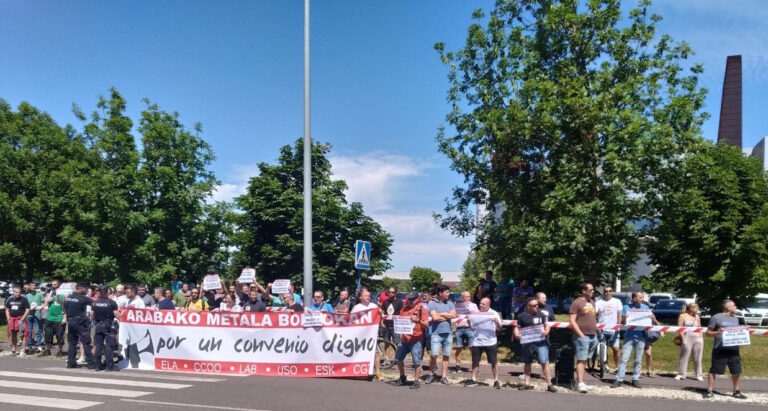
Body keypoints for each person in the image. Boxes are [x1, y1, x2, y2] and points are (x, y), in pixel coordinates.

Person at [612, 291, 658, 388]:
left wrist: (653, 318)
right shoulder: (626, 307)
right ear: (634, 298)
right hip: (629, 336)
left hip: (641, 337)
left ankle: (635, 379)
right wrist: (625, 318)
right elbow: (622, 323)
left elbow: (652, 321)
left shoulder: (645, 308)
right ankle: (619, 379)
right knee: (624, 359)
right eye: (640, 297)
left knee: (638, 359)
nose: (642, 299)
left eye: (642, 297)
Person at [704, 300, 746, 400]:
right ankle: (709, 391)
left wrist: (744, 329)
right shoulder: (716, 317)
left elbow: (736, 332)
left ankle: (736, 391)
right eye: (734, 306)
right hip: (720, 348)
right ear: (728, 307)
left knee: (736, 371)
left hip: (733, 348)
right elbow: (708, 333)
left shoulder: (735, 318)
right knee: (714, 370)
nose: (736, 307)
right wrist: (717, 332)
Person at [514, 297, 556, 392]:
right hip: (527, 343)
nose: (537, 306)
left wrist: (546, 331)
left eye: (537, 305)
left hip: (541, 343)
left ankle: (549, 384)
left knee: (544, 362)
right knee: (527, 363)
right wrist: (517, 334)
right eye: (534, 305)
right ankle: (527, 383)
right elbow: (517, 327)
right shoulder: (521, 316)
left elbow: (547, 325)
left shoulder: (541, 314)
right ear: (528, 306)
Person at [465, 297, 503, 389]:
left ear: (488, 305)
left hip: (490, 342)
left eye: (483, 304)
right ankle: (473, 379)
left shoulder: (494, 313)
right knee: (475, 361)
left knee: (493, 362)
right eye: (480, 303)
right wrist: (469, 321)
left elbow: (499, 328)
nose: (481, 305)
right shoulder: (476, 313)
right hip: (477, 341)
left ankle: (496, 380)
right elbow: (472, 327)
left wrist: (496, 322)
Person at [395, 292, 429, 390]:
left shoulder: (422, 309)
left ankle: (416, 381)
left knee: (417, 361)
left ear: (417, 299)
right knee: (398, 359)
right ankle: (402, 377)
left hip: (416, 339)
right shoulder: (404, 308)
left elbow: (426, 325)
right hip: (404, 339)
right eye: (409, 299)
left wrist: (418, 320)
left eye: (412, 299)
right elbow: (400, 321)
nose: (410, 301)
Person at [569, 282, 598, 393]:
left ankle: (580, 381)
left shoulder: (592, 302)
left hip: (593, 335)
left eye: (593, 290)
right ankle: (579, 383)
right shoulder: (577, 303)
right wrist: (580, 335)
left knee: (585, 359)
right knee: (581, 359)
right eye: (590, 290)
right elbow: (572, 321)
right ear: (583, 291)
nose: (592, 292)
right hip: (582, 336)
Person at [426, 285, 456, 385]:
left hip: (448, 334)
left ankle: (443, 376)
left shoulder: (450, 303)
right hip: (436, 334)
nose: (448, 294)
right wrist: (447, 316)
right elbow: (434, 318)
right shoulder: (432, 304)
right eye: (446, 292)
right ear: (440, 293)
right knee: (434, 355)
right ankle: (431, 374)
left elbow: (454, 315)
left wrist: (441, 314)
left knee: (446, 356)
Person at [62, 283, 96, 369]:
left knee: (72, 343)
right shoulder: (83, 298)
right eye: (85, 289)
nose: (86, 291)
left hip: (70, 322)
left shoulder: (68, 297)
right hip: (80, 323)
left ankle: (71, 363)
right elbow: (94, 305)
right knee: (86, 343)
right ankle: (91, 363)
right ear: (81, 289)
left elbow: (64, 309)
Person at [352, 289, 381, 379]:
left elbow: (379, 317)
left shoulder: (374, 306)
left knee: (375, 353)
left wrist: (381, 312)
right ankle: (359, 371)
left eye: (369, 296)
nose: (368, 297)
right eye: (366, 296)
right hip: (360, 335)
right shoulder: (357, 307)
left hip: (371, 334)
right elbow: (351, 320)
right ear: (361, 297)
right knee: (359, 353)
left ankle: (378, 372)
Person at [91, 285, 119, 371]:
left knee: (98, 346)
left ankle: (98, 365)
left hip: (98, 325)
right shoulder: (112, 303)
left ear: (99, 292)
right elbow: (116, 314)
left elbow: (92, 315)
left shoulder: (95, 303)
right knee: (109, 345)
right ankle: (109, 366)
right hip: (108, 325)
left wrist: (93, 321)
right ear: (107, 292)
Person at [595, 285, 623, 371]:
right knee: (603, 348)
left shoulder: (617, 301)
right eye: (606, 291)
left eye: (610, 291)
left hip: (614, 330)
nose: (608, 293)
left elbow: (619, 314)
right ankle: (605, 366)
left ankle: (618, 367)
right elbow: (595, 314)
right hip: (602, 330)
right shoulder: (598, 302)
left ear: (612, 292)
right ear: (603, 292)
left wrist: (618, 324)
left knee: (616, 348)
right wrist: (596, 324)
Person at [675, 303, 703, 381]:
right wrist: (683, 338)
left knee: (698, 357)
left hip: (697, 337)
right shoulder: (683, 316)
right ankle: (681, 374)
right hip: (687, 337)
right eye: (696, 308)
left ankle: (699, 375)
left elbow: (699, 327)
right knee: (684, 356)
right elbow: (680, 328)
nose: (698, 310)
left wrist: (701, 337)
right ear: (691, 308)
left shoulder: (697, 317)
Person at [454, 291, 478, 372]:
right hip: (459, 328)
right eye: (466, 296)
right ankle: (457, 365)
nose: (468, 298)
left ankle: (475, 366)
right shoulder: (457, 305)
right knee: (459, 348)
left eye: (469, 296)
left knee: (472, 348)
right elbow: (454, 316)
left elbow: (476, 316)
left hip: (469, 328)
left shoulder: (473, 305)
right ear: (462, 297)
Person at [4, 286, 30, 356]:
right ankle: (13, 350)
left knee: (22, 335)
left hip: (20, 319)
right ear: (13, 292)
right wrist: (8, 318)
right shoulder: (10, 299)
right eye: (16, 292)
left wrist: (22, 319)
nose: (18, 293)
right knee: (13, 334)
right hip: (12, 319)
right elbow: (7, 309)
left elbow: (27, 310)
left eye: (19, 292)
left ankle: (23, 351)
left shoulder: (24, 299)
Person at [42, 287, 65, 356]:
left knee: (59, 336)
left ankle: (60, 351)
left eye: (55, 285)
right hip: (49, 318)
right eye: (52, 285)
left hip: (59, 319)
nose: (53, 287)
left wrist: (65, 318)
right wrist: (50, 295)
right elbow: (46, 302)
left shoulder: (63, 296)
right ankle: (47, 350)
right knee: (48, 335)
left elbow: (61, 303)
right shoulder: (51, 295)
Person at [25, 282, 45, 352]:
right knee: (29, 331)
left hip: (37, 314)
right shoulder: (27, 296)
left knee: (38, 331)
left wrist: (39, 307)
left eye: (34, 286)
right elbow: (25, 305)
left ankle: (39, 345)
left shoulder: (39, 295)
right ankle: (29, 345)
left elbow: (43, 304)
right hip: (29, 315)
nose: (33, 287)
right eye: (32, 286)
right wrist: (29, 308)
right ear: (29, 287)